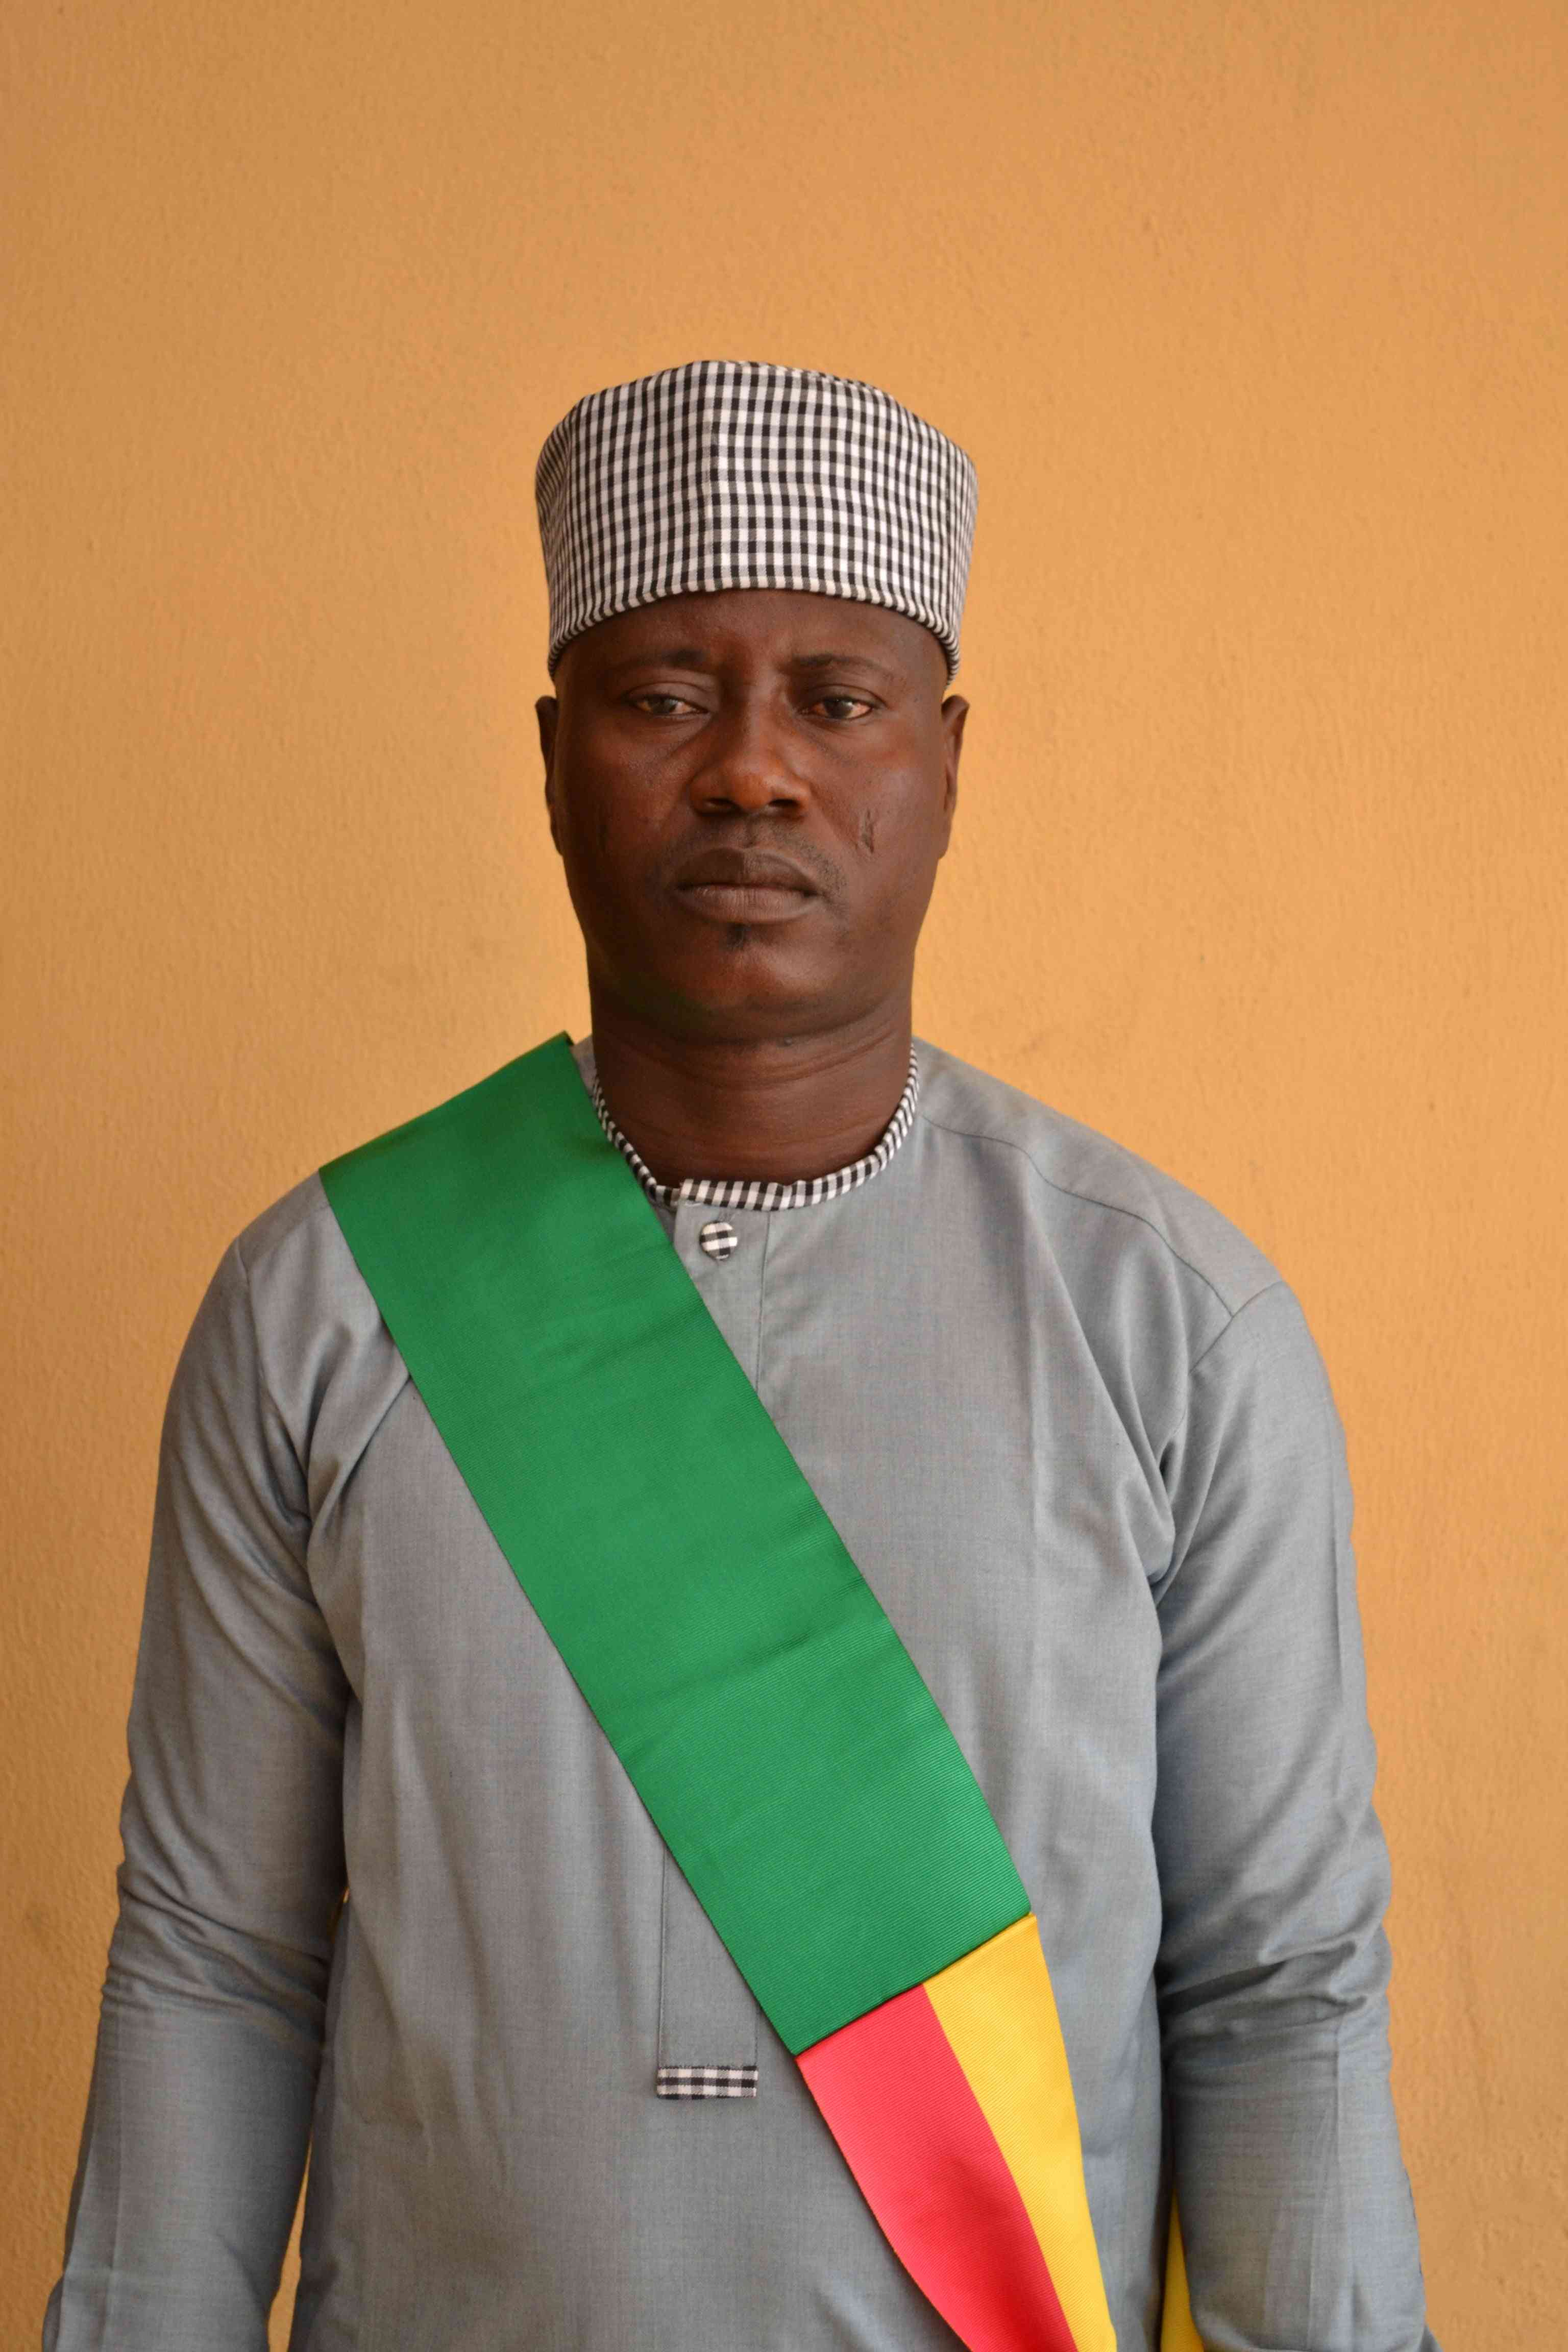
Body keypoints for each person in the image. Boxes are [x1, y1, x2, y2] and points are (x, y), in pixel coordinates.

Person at [44, 360, 1438, 2352]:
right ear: (554, 760)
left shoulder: (1174, 1329)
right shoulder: (325, 1307)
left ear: (946, 759)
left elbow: (1278, 1993)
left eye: (838, 700)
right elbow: (217, 1966)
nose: (753, 773)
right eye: (665, 697)